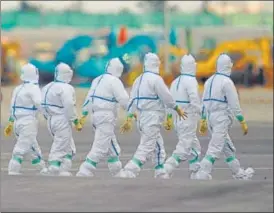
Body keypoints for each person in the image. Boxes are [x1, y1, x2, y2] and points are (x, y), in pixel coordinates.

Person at [116, 52, 188, 179]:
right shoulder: (156, 79)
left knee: (157, 145)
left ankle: (160, 171)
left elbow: (132, 99)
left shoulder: (138, 79)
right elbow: (167, 97)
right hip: (152, 118)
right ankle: (129, 170)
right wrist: (177, 108)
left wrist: (129, 117)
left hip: (141, 118)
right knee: (147, 146)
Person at [194, 54, 254, 180]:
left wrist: (204, 119)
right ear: (228, 66)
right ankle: (203, 172)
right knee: (216, 146)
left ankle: (237, 172)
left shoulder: (209, 81)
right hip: (221, 117)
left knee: (227, 146)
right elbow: (234, 103)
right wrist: (241, 120)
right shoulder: (227, 82)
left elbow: (203, 101)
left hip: (210, 117)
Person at [76, 55, 131, 177]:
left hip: (95, 115)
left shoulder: (97, 79)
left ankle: (117, 171)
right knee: (100, 145)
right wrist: (131, 113)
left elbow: (88, 98)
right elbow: (123, 99)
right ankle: (85, 169)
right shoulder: (114, 81)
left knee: (111, 146)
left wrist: (84, 115)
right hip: (106, 116)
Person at [162, 54, 201, 179]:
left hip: (177, 119)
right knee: (184, 147)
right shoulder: (191, 81)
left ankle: (196, 171)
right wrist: (203, 115)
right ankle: (167, 167)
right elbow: (194, 100)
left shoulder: (175, 82)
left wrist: (168, 117)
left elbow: (169, 101)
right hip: (187, 118)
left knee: (194, 146)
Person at [4, 63, 47, 175]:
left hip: (17, 122)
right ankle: (13, 169)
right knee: (22, 146)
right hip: (28, 121)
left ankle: (42, 168)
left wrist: (10, 121)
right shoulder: (33, 88)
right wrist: (48, 114)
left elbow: (12, 106)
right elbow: (39, 103)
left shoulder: (18, 89)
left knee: (31, 145)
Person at [41, 62, 82, 176]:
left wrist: (47, 116)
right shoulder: (66, 88)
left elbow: (41, 105)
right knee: (60, 143)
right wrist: (75, 120)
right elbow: (69, 105)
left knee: (67, 145)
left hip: (50, 119)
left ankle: (64, 170)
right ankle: (53, 167)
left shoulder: (46, 87)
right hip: (61, 119)